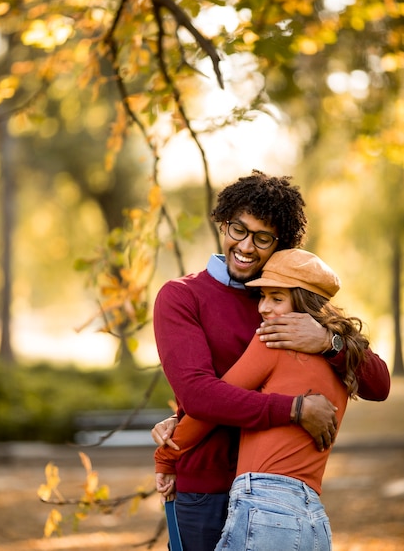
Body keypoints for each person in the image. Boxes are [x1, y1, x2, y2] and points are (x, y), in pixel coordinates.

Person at [152, 171, 390, 551]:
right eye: (237, 230)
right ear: (222, 223)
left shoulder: (288, 299)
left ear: (281, 244)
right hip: (206, 488)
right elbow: (198, 395)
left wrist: (329, 342)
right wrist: (294, 410)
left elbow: (378, 384)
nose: (245, 246)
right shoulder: (182, 297)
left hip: (276, 494)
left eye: (262, 238)